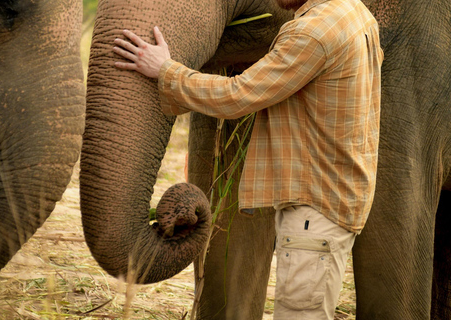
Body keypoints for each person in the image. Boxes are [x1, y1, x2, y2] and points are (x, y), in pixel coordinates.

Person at [112, 0, 383, 318]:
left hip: (315, 210)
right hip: (331, 199)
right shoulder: (354, 13)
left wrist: (165, 70)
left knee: (300, 312)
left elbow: (237, 96)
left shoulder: (313, 31)